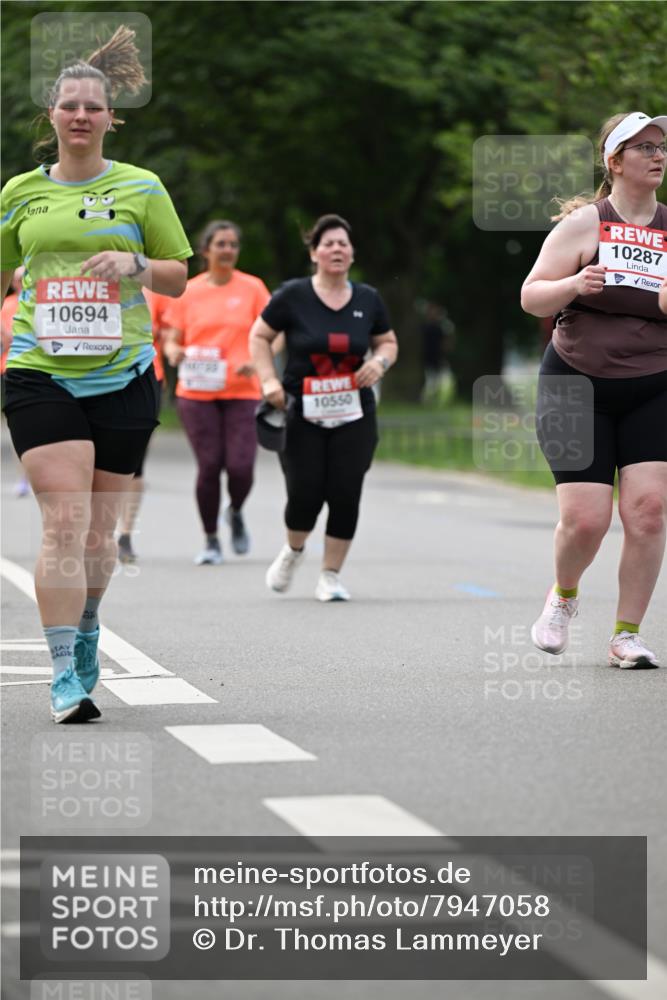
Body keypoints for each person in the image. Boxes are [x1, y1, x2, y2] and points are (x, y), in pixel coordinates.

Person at [0, 27, 192, 722]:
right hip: (38, 372)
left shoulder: (142, 188)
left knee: (96, 536)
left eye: (93, 107)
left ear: (111, 118)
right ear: (50, 116)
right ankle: (62, 676)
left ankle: (85, 629)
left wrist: (135, 266)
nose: (80, 116)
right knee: (63, 522)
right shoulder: (18, 193)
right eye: (68, 105)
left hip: (122, 374)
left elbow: (179, 274)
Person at [521, 112, 667, 668]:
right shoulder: (586, 224)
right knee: (586, 521)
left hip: (654, 384)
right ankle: (563, 595)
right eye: (644, 148)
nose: (657, 156)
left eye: (662, 147)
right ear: (614, 161)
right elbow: (531, 296)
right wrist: (574, 283)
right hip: (575, 384)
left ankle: (627, 634)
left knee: (649, 511)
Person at [249, 213, 398, 601]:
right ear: (314, 253)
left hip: (354, 411)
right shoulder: (292, 295)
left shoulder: (368, 299)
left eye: (343, 244)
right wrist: (267, 381)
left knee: (346, 491)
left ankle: (330, 575)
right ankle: (294, 550)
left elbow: (388, 342)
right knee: (305, 493)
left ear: (351, 254)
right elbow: (260, 336)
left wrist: (378, 363)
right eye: (328, 243)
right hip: (302, 411)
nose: (337, 249)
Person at [162, 220, 271, 564]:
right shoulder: (189, 290)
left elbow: (273, 332)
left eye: (233, 245)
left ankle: (235, 511)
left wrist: (259, 361)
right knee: (209, 466)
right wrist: (173, 352)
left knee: (240, 467)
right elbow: (171, 338)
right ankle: (210, 539)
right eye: (221, 244)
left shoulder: (253, 288)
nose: (227, 250)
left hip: (242, 389)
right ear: (206, 249)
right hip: (197, 393)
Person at [116, 286, 172, 563]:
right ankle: (90, 532)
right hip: (92, 377)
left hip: (144, 377)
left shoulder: (154, 288)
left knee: (134, 460)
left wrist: (174, 347)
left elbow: (169, 331)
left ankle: (125, 535)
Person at [1, 267, 30, 497]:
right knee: (18, 426)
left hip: (36, 369)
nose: (20, 282)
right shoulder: (8, 303)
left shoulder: (41, 299)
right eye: (17, 278)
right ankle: (23, 477)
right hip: (9, 368)